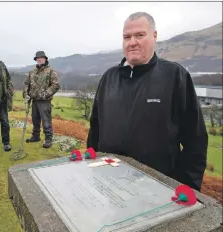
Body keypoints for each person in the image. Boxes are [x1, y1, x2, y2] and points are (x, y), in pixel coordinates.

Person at [87, 12, 208, 191]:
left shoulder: (175, 76)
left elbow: (195, 139)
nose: (132, 42)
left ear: (154, 36)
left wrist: (186, 186)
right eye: (127, 37)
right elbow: (95, 127)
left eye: (140, 35)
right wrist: (91, 164)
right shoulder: (109, 77)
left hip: (157, 187)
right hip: (109, 182)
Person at [23, 51, 60, 148]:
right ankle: (36, 136)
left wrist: (45, 94)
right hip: (34, 100)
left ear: (45, 59)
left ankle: (48, 139)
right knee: (35, 120)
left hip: (45, 101)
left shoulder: (51, 71)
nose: (39, 60)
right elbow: (27, 84)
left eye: (41, 58)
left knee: (46, 121)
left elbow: (55, 85)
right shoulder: (32, 72)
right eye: (37, 58)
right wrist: (26, 94)